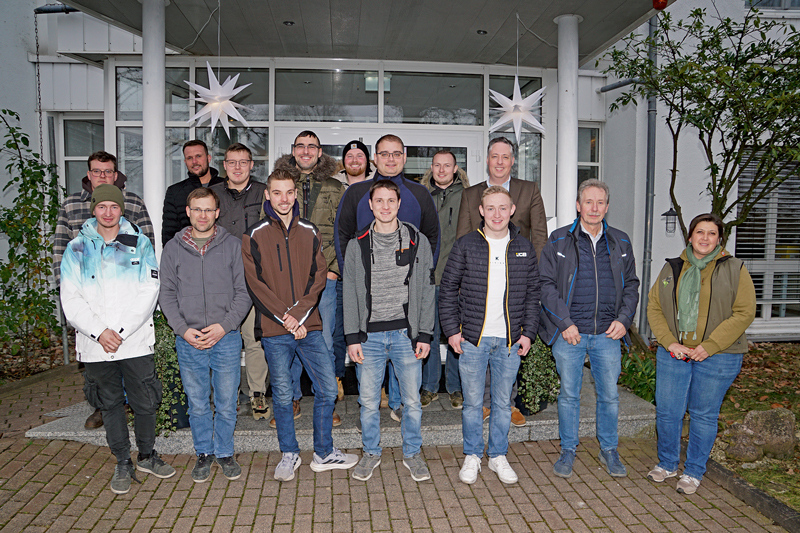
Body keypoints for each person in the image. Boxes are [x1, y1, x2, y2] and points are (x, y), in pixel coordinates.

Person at [242, 168, 357, 481]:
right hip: (274, 330)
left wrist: (300, 315)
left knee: (327, 389)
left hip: (309, 327)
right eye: (277, 193)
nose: (284, 199)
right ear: (268, 195)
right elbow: (256, 285)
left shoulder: (310, 231)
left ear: (296, 195)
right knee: (282, 395)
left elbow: (318, 277)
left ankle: (324, 452)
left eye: (289, 192)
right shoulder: (253, 235)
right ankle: (289, 454)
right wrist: (287, 317)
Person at [60, 184, 174, 494]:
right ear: (93, 209)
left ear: (121, 209)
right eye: (102, 206)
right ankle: (123, 461)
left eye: (114, 206)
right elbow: (71, 298)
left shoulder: (139, 244)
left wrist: (120, 332)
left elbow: (149, 290)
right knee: (109, 404)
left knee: (145, 401)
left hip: (134, 341)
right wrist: (100, 332)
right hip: (96, 345)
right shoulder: (77, 249)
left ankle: (147, 455)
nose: (108, 212)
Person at [646, 213, 756, 495]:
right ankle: (668, 463)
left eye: (711, 233)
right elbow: (654, 306)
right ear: (690, 236)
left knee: (703, 415)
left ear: (719, 239)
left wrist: (711, 345)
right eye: (700, 232)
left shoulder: (735, 268)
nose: (705, 238)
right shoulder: (672, 267)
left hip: (719, 354)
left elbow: (744, 312)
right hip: (675, 353)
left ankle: (693, 472)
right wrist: (670, 342)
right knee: (668, 412)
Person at [539, 179, 639, 479]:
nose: (594, 208)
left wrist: (624, 319)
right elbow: (545, 285)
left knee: (609, 396)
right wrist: (564, 322)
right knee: (569, 395)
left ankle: (608, 448)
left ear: (607, 207)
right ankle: (568, 449)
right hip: (570, 334)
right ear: (578, 205)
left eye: (600, 202)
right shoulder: (558, 240)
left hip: (608, 334)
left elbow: (631, 285)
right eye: (588, 202)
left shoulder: (621, 242)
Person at [335, 133, 440, 418]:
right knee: (372, 360)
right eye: (384, 153)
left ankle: (398, 404)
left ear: (404, 157)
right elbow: (342, 235)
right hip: (369, 296)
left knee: (404, 349)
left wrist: (424, 274)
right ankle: (373, 409)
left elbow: (433, 235)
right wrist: (351, 276)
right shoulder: (357, 193)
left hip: (406, 297)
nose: (390, 159)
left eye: (396, 153)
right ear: (375, 158)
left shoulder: (419, 194)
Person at [439, 186, 540, 485]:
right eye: (491, 208)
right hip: (473, 339)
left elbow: (533, 293)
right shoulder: (465, 245)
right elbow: (447, 290)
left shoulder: (524, 247)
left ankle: (497, 456)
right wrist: (452, 331)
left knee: (502, 404)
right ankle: (472, 455)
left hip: (510, 341)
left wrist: (528, 333)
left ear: (512, 211)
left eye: (502, 208)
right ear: (481, 211)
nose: (497, 214)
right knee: (472, 404)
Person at [54, 150, 155, 431]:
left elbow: (148, 244)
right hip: (88, 302)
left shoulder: (133, 202)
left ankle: (128, 404)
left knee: (130, 359)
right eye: (97, 171)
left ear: (116, 174)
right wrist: (69, 296)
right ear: (89, 174)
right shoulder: (71, 205)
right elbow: (60, 248)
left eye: (108, 171)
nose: (102, 176)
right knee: (98, 366)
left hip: (125, 299)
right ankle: (103, 408)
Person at [344, 179, 436, 483]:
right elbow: (350, 294)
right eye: (379, 201)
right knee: (369, 403)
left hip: (406, 336)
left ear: (399, 204)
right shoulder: (357, 244)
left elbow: (427, 290)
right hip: (368, 337)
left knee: (412, 402)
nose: (385, 206)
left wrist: (424, 333)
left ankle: (412, 453)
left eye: (391, 201)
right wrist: (352, 337)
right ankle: (371, 452)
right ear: (371, 205)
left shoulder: (417, 241)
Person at [159, 187, 251, 483]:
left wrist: (225, 325)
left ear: (217, 212)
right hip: (189, 339)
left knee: (226, 401)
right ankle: (204, 452)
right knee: (197, 402)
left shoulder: (233, 246)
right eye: (197, 209)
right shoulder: (173, 249)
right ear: (188, 212)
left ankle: (224, 452)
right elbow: (166, 294)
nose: (203, 215)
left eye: (208, 209)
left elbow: (244, 291)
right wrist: (182, 329)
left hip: (225, 337)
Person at [456, 136, 548, 427]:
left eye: (505, 156)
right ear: (487, 160)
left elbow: (539, 235)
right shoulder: (471, 194)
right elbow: (463, 236)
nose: (499, 162)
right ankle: (484, 404)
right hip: (479, 280)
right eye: (494, 156)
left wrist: (534, 275)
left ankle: (507, 404)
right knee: (480, 338)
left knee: (511, 342)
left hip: (516, 279)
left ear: (512, 161)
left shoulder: (529, 190)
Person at [273, 131, 345, 425]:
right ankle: (291, 399)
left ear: (319, 152)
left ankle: (326, 401)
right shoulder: (280, 184)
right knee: (288, 339)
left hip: (323, 278)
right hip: (287, 281)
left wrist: (334, 269)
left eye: (311, 146)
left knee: (323, 342)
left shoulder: (335, 187)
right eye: (300, 146)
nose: (305, 151)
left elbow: (343, 231)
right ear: (293, 151)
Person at [210, 143, 270, 421]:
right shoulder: (212, 194)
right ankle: (228, 396)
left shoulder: (263, 193)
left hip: (255, 278)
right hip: (221, 280)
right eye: (232, 162)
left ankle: (257, 394)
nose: (237, 167)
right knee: (226, 339)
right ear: (224, 165)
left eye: (243, 162)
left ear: (251, 165)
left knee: (254, 339)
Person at [420, 150, 470, 408]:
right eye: (437, 165)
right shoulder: (421, 195)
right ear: (431, 167)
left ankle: (455, 387)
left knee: (456, 333)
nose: (441, 170)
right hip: (427, 277)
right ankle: (429, 387)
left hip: (456, 277)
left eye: (446, 165)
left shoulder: (468, 196)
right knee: (428, 332)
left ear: (455, 168)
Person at [161, 139, 224, 246]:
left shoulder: (226, 187)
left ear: (208, 158)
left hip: (222, 251)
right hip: (187, 253)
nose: (194, 161)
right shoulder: (175, 192)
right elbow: (169, 235)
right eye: (189, 158)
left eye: (198, 156)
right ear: (185, 162)